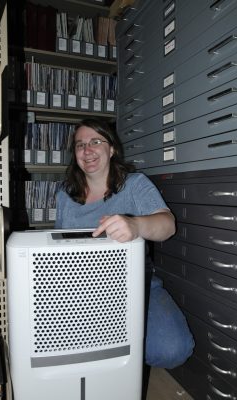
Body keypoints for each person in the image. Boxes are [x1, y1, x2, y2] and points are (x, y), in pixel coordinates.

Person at [55, 118, 194, 395]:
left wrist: (136, 224)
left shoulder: (134, 184)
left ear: (112, 149)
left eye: (96, 142)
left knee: (173, 349)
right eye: (80, 145)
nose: (88, 150)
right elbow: (58, 248)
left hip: (134, 285)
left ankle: (116, 358)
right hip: (80, 291)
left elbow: (167, 225)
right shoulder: (64, 195)